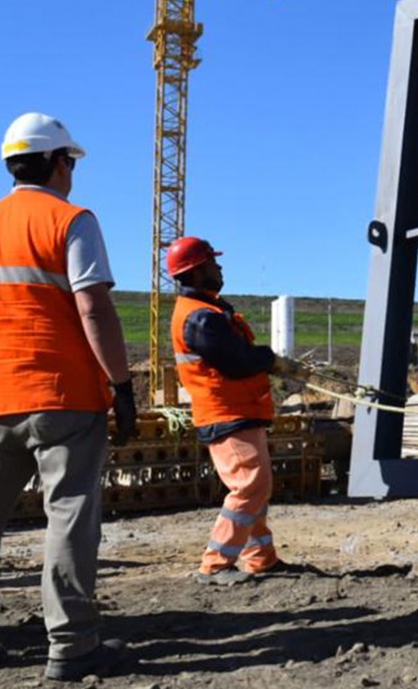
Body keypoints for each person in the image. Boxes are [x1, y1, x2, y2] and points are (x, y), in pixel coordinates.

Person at [0, 112, 136, 681]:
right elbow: (94, 308)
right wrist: (122, 387)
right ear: (58, 163)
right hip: (64, 397)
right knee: (70, 515)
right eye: (70, 161)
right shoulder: (72, 219)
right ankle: (72, 645)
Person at [166, 236, 309, 586]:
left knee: (256, 488)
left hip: (238, 411)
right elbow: (237, 361)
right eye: (213, 263)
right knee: (250, 486)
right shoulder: (200, 318)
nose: (220, 267)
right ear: (198, 271)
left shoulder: (209, 312)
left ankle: (261, 558)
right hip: (226, 413)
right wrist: (271, 361)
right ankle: (215, 565)